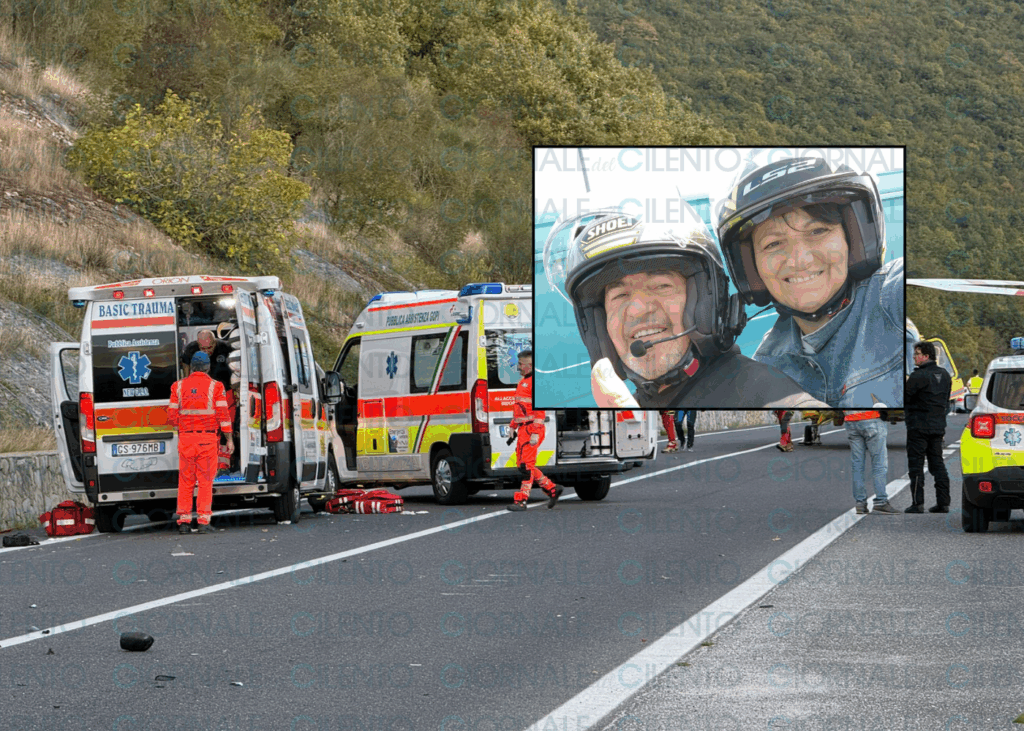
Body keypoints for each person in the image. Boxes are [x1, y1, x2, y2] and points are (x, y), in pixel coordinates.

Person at [561, 212, 829, 408]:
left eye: (661, 285)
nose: (638, 309)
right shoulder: (633, 404)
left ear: (706, 305)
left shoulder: (772, 397)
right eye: (620, 295)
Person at [717, 154, 903, 408]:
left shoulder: (890, 297)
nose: (799, 260)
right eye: (773, 244)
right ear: (750, 268)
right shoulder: (766, 367)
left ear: (855, 238)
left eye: (818, 231)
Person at [167, 351, 234, 533]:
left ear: (191, 368)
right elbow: (223, 415)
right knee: (205, 481)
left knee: (186, 481)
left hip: (186, 439)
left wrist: (184, 425)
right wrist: (228, 438)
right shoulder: (216, 387)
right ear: (207, 367)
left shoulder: (178, 387)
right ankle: (203, 521)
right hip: (207, 439)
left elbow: (172, 417)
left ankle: (184, 521)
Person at [507, 350, 563, 511]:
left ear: (529, 365)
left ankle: (521, 501)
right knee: (523, 466)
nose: (518, 367)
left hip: (532, 429)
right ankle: (552, 489)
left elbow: (540, 411)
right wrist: (513, 426)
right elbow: (520, 408)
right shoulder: (523, 381)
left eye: (520, 364)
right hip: (525, 429)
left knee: (526, 466)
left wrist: (536, 432)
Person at [904, 340, 952, 513]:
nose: (914, 357)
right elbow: (946, 401)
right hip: (938, 427)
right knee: (937, 464)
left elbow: (906, 398)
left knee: (916, 465)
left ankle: (917, 503)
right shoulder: (945, 375)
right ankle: (943, 502)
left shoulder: (918, 376)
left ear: (925, 356)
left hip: (918, 427)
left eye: (916, 354)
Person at [844, 407, 898, 514]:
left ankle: (860, 503)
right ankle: (881, 501)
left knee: (857, 464)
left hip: (851, 421)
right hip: (872, 418)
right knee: (879, 463)